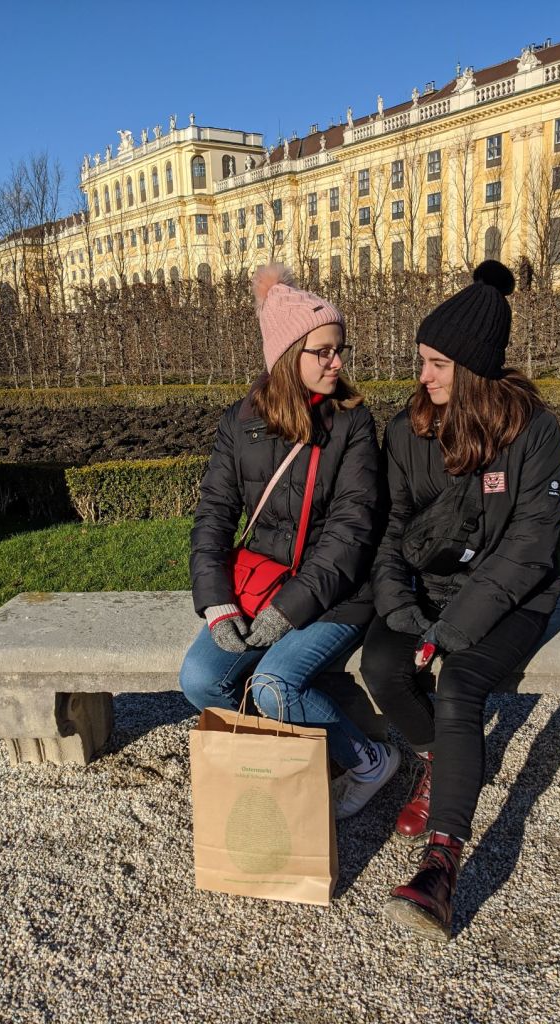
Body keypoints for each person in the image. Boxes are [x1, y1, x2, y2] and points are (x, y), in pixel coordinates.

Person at [360, 260, 560, 939]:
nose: (422, 376)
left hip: (511, 596)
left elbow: (529, 548)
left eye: (437, 364)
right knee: (383, 667)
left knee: (459, 687)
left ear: (473, 369)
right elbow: (390, 526)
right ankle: (439, 760)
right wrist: (398, 603)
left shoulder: (533, 433)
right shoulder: (406, 431)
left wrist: (449, 633)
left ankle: (440, 867)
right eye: (422, 360)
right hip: (426, 586)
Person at [180, 264, 400, 818]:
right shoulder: (239, 423)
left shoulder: (352, 422)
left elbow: (352, 531)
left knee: (276, 685)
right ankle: (283, 760)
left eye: (340, 350)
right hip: (259, 585)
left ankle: (370, 760)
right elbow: (213, 517)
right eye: (324, 352)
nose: (338, 362)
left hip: (340, 591)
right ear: (286, 356)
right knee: (200, 678)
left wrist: (288, 610)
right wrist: (216, 603)